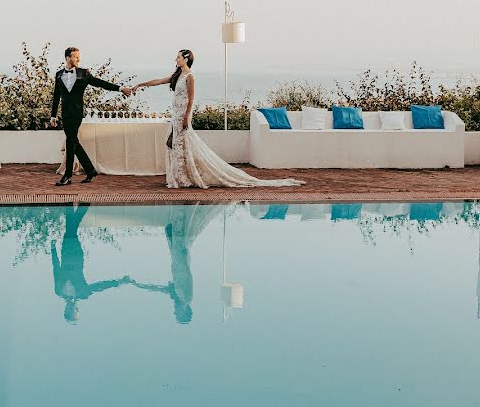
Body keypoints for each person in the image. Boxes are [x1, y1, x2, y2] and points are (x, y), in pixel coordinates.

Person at [134, 49, 306, 189]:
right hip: (175, 115)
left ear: (186, 59)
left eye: (178, 57)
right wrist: (140, 85)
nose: (176, 59)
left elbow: (191, 99)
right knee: (173, 144)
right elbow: (158, 81)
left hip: (182, 116)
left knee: (179, 145)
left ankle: (183, 179)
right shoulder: (177, 76)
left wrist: (186, 117)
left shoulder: (189, 76)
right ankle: (178, 177)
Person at [50, 47, 133, 186]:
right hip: (65, 114)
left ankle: (68, 176)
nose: (78, 59)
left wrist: (120, 88)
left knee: (70, 141)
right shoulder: (59, 74)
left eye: (78, 57)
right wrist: (53, 116)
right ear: (68, 58)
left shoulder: (83, 73)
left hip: (77, 114)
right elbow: (56, 96)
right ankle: (90, 170)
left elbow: (100, 83)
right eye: (75, 57)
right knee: (73, 141)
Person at [51, 206, 133, 323]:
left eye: (71, 311)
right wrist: (118, 282)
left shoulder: (59, 291)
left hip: (65, 253)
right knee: (71, 230)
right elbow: (100, 286)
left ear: (66, 310)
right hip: (76, 254)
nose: (73, 308)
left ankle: (80, 202)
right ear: (78, 309)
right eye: (76, 311)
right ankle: (77, 202)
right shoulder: (83, 293)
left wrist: (53, 249)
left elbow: (56, 270)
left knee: (71, 229)